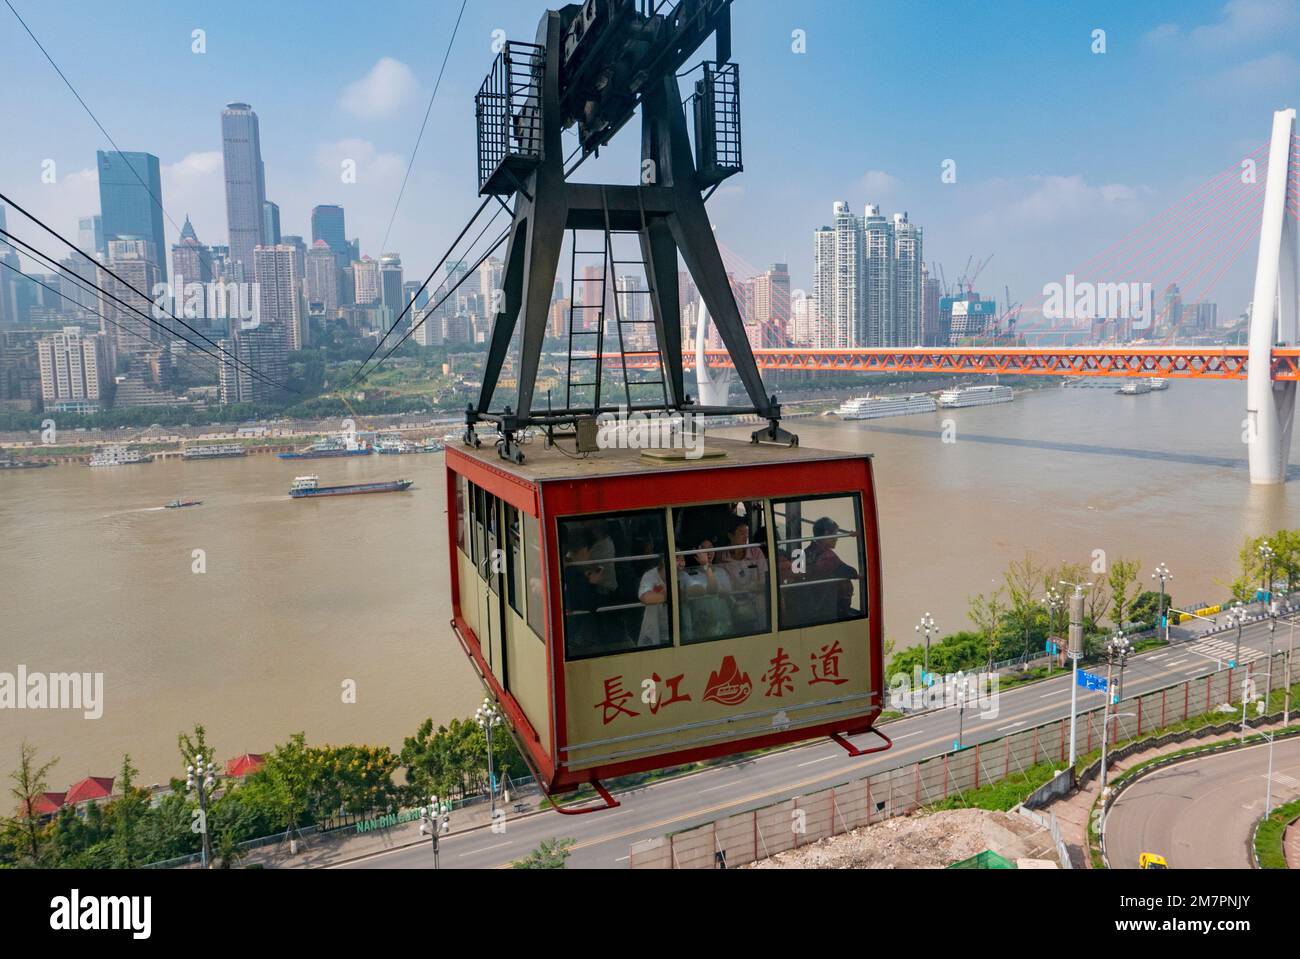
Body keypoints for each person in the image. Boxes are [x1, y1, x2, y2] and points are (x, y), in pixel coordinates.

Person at [678, 537, 733, 642]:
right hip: (702, 628)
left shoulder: (722, 572)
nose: (707, 551)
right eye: (703, 548)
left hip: (724, 626)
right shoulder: (690, 575)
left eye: (710, 547)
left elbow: (728, 594)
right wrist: (705, 565)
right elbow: (713, 590)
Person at [720, 515, 769, 633]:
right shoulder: (722, 557)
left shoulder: (755, 552)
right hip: (734, 607)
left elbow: (764, 581)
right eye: (741, 533)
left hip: (757, 607)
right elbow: (724, 586)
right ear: (730, 535)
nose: (745, 537)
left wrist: (751, 588)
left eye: (747, 533)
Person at [562, 527, 606, 654]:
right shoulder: (575, 574)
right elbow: (590, 605)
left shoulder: (567, 567)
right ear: (584, 550)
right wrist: (592, 583)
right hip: (573, 633)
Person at [805, 517, 858, 618]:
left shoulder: (808, 550)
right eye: (835, 534)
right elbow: (850, 572)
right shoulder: (826, 555)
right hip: (825, 609)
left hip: (811, 604)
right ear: (826, 534)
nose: (837, 538)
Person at [636, 551, 681, 648]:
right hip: (652, 635)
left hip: (675, 634)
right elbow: (645, 598)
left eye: (682, 560)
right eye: (677, 559)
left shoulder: (681, 574)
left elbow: (698, 590)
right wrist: (669, 595)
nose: (680, 563)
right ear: (664, 561)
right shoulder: (650, 576)